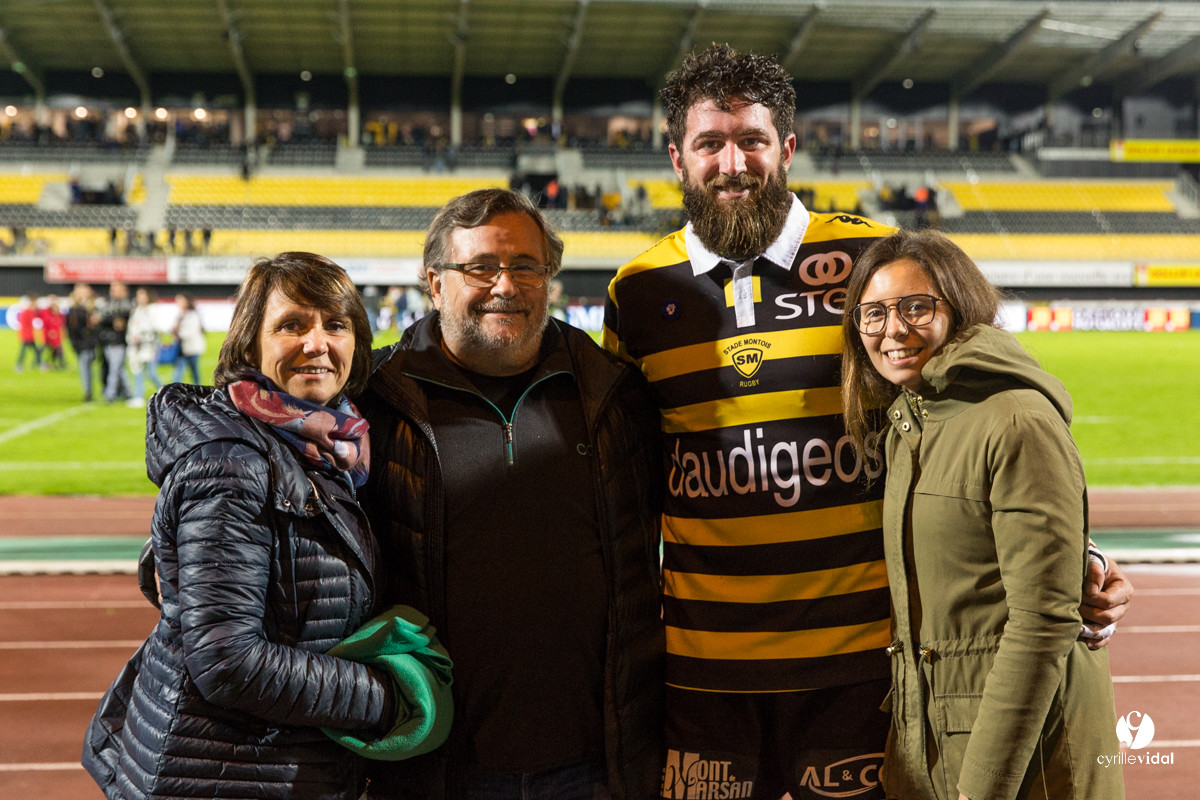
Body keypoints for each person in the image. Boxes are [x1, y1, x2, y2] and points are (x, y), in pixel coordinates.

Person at [602, 43, 1132, 798]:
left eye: (751, 140)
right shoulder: (635, 292)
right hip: (706, 673)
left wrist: (1073, 554)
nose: (732, 162)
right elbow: (629, 473)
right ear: (676, 158)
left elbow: (963, 411)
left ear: (786, 148)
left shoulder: (866, 259)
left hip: (862, 664)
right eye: (709, 143)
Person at [82, 252, 450, 800]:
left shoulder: (330, 445)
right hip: (220, 773)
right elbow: (227, 660)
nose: (316, 342)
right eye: (291, 325)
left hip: (261, 766)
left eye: (336, 324)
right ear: (249, 344)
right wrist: (389, 698)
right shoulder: (235, 463)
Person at [357, 188, 664, 799]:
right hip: (440, 766)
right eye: (481, 267)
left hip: (597, 762)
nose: (506, 284)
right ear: (435, 283)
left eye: (526, 266)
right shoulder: (373, 399)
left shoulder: (613, 392)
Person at [840, 228, 1124, 800]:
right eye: (873, 314)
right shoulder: (910, 422)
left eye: (915, 307)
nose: (893, 329)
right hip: (942, 747)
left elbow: (1041, 622)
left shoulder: (1014, 419)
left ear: (960, 305)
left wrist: (981, 787)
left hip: (1024, 765)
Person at [124, 287, 162, 407]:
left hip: (148, 346)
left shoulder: (152, 310)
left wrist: (143, 336)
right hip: (136, 347)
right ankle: (138, 396)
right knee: (137, 370)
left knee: (151, 373)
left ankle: (166, 394)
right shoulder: (137, 310)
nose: (139, 298)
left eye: (142, 295)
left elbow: (156, 328)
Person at [98, 281, 133, 402]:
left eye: (116, 288)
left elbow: (127, 319)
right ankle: (128, 393)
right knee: (119, 369)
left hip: (120, 341)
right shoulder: (108, 302)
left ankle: (110, 394)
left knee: (114, 369)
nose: (113, 291)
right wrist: (113, 321)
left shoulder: (128, 304)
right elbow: (101, 317)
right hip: (108, 340)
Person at [66, 283, 101, 401]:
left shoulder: (94, 307)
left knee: (93, 368)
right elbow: (70, 328)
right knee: (85, 368)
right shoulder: (74, 309)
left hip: (94, 343)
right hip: (82, 344)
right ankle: (88, 392)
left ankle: (92, 391)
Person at [172, 293, 206, 384]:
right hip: (181, 348)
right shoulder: (179, 315)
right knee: (178, 370)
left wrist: (178, 333)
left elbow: (191, 331)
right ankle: (173, 390)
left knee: (194, 370)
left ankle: (198, 389)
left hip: (192, 347)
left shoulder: (193, 315)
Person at [14, 293, 42, 371]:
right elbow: (23, 325)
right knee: (25, 351)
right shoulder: (27, 312)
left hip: (29, 335)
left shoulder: (30, 311)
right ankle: (19, 365)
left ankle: (37, 364)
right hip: (27, 335)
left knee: (33, 351)